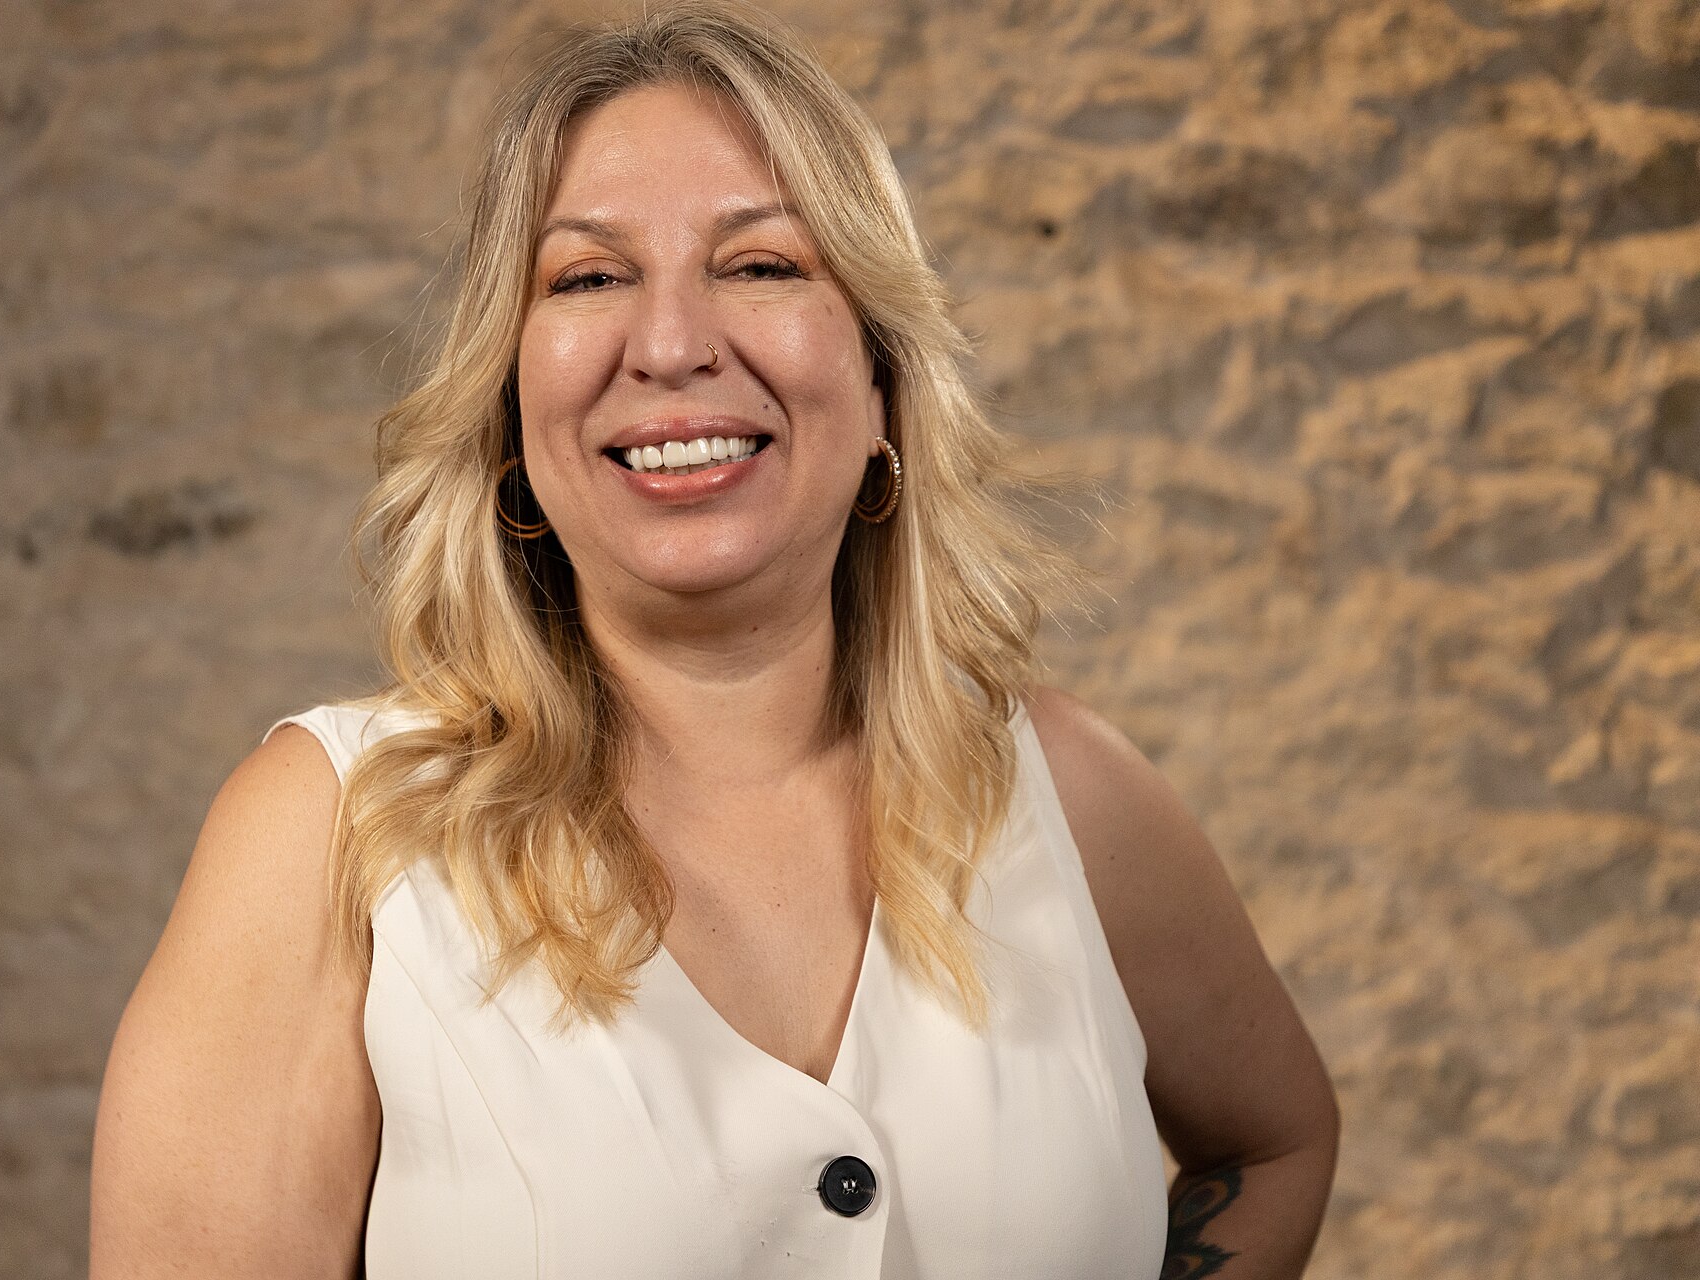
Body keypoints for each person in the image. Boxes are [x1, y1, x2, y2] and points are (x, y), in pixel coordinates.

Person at [89, 3, 1339, 1277]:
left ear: (880, 384)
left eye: (761, 265)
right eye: (588, 276)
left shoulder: (1072, 796)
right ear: (509, 408)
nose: (675, 345)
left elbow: (1278, 1140)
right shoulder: (332, 835)